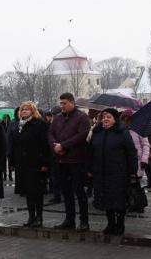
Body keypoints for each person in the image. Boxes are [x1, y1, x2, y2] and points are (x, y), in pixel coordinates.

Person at [87, 108, 138, 235]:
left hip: (118, 172)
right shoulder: (97, 132)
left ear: (115, 119)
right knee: (106, 199)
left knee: (119, 199)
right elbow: (90, 152)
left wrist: (133, 169)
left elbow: (131, 151)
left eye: (108, 117)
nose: (105, 119)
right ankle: (110, 224)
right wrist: (89, 168)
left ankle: (120, 224)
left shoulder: (122, 132)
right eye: (103, 117)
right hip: (101, 172)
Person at [47, 92, 91, 231]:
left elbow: (81, 135)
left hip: (76, 160)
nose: (62, 106)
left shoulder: (82, 117)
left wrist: (63, 145)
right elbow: (50, 133)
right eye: (60, 103)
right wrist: (55, 145)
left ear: (72, 102)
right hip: (61, 160)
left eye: (64, 103)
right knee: (66, 192)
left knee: (79, 191)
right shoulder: (58, 118)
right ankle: (69, 219)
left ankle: (84, 221)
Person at [10, 102, 50, 227]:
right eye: (22, 110)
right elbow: (14, 145)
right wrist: (12, 162)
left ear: (33, 111)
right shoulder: (18, 125)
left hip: (36, 163)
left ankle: (39, 217)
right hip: (22, 164)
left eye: (27, 109)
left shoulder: (39, 124)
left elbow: (45, 145)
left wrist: (45, 162)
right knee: (27, 192)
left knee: (37, 192)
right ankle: (31, 216)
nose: (24, 112)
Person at [121, 110, 150, 180]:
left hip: (137, 162)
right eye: (124, 119)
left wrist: (144, 160)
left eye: (128, 119)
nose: (126, 121)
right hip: (123, 162)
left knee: (135, 184)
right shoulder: (120, 131)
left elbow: (145, 145)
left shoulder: (140, 130)